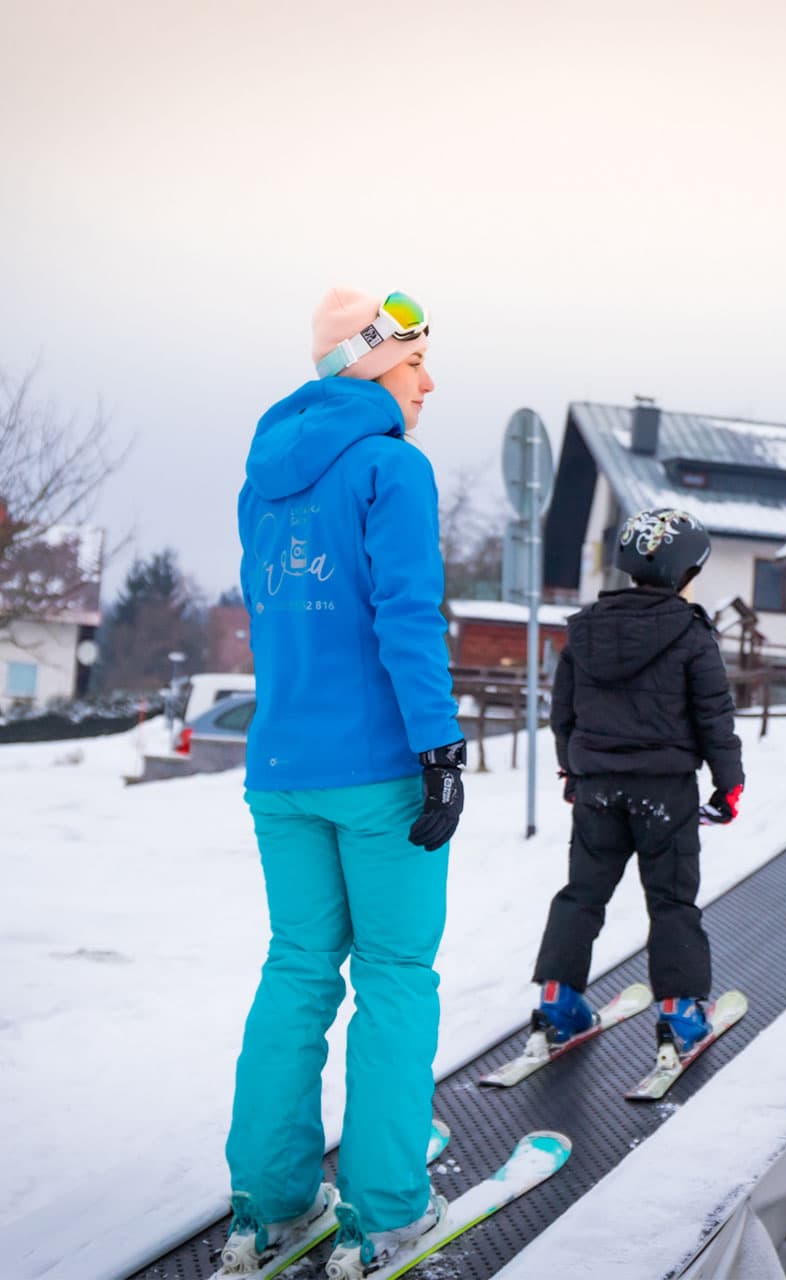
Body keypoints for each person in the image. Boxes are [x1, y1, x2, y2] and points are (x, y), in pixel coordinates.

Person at [222, 286, 465, 1276]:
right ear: (371, 366)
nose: (428, 381)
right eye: (415, 362)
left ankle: (270, 1206)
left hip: (280, 768)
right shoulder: (390, 467)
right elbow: (406, 616)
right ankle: (387, 1213)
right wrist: (439, 750)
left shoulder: (262, 481)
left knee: (297, 970)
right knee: (396, 977)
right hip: (377, 771)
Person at [530, 508, 744, 1059]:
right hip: (665, 791)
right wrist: (728, 785)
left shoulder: (584, 630)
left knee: (582, 893)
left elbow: (563, 714)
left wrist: (573, 771)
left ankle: (558, 1002)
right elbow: (714, 717)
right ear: (685, 571)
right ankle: (680, 1016)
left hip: (598, 789)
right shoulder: (691, 633)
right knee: (671, 901)